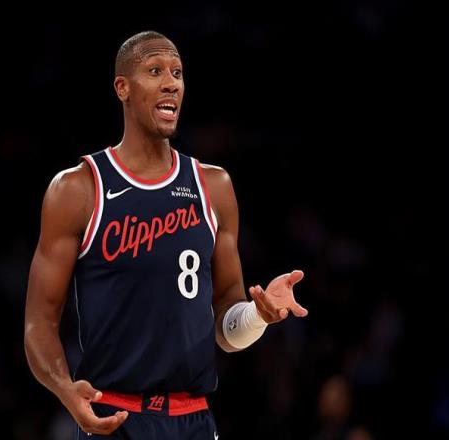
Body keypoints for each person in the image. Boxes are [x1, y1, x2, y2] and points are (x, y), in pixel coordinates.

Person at [24, 30, 309, 439]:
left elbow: (226, 330)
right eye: (155, 71)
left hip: (194, 418)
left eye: (177, 72)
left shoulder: (214, 186)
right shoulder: (78, 188)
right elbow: (38, 322)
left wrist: (257, 316)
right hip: (115, 417)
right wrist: (64, 389)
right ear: (122, 88)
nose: (171, 82)